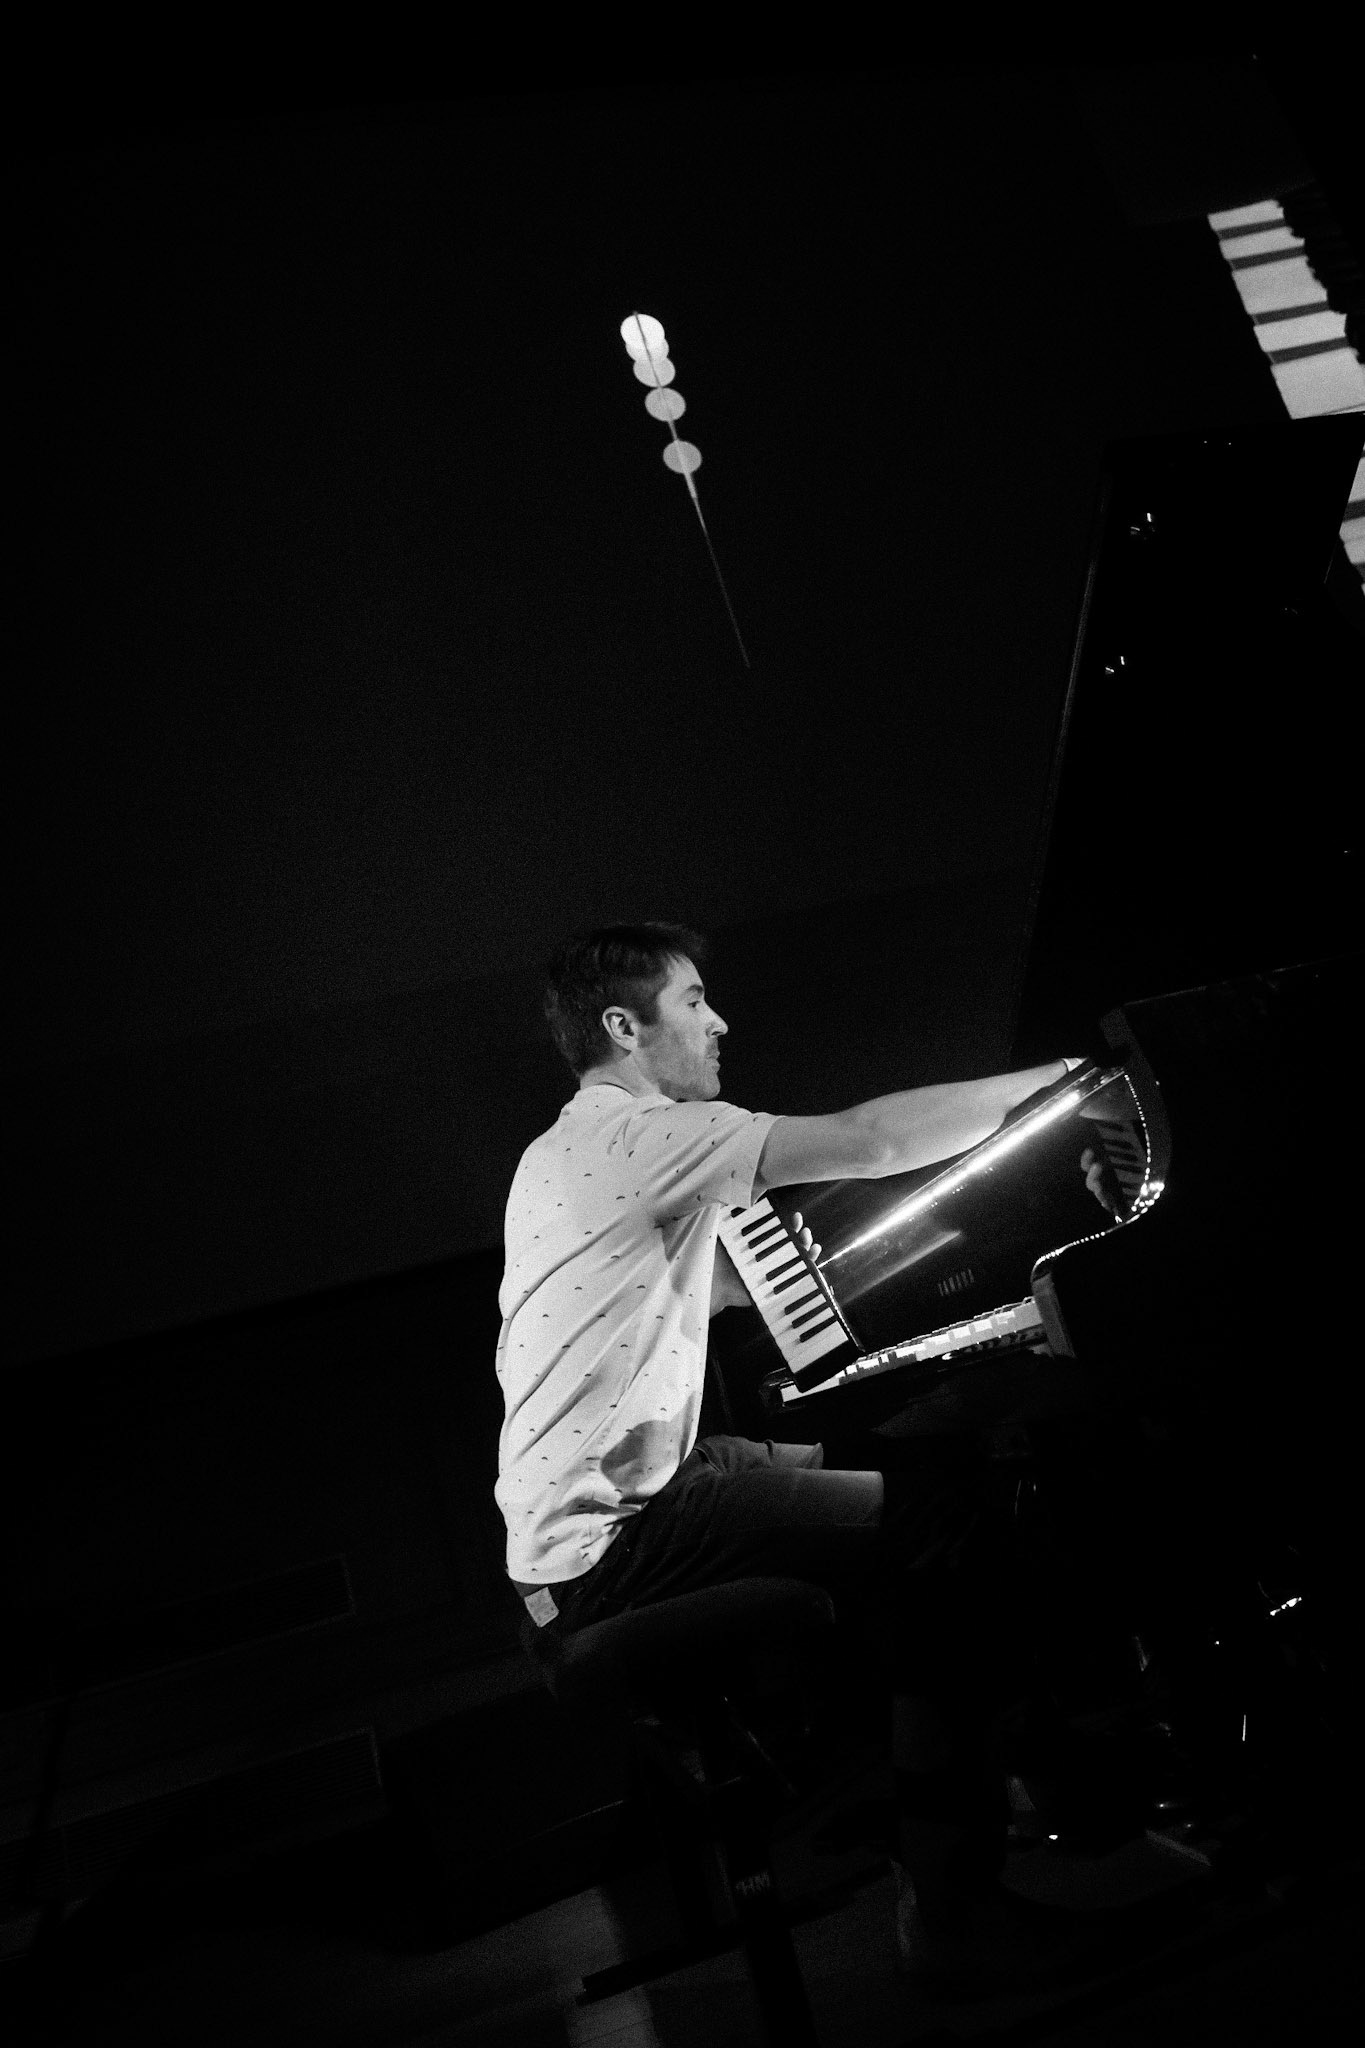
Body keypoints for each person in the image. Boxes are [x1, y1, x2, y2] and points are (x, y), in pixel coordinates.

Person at [494, 921, 1098, 1993]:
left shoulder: (561, 1150)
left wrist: (758, 1289)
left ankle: (964, 1745)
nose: (718, 1021)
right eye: (693, 1002)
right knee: (937, 1522)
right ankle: (955, 1896)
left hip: (600, 1513)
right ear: (625, 1027)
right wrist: (1065, 1076)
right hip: (610, 1545)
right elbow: (868, 1140)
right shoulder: (636, 1134)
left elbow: (662, 1290)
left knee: (866, 1454)